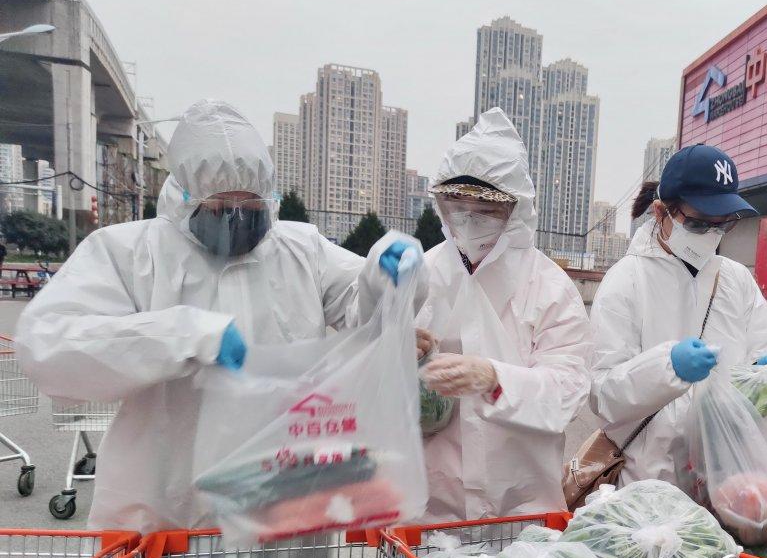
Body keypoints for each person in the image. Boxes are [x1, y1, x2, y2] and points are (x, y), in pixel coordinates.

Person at [15, 99, 423, 535]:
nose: (235, 220)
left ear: (268, 196)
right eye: (219, 208)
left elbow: (362, 308)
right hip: (165, 509)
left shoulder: (301, 249)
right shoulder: (130, 253)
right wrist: (182, 335)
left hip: (282, 503)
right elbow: (49, 345)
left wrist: (385, 275)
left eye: (249, 208)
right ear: (185, 195)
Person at [415, 108, 592, 521]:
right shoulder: (421, 275)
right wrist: (396, 350)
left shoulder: (549, 287)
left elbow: (568, 390)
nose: (468, 214)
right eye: (455, 200)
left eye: (486, 206)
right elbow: (370, 381)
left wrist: (496, 379)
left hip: (522, 510)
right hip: (429, 510)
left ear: (517, 209)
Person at [589, 143, 767, 486]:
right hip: (651, 479)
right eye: (699, 224)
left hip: (726, 475)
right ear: (660, 212)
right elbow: (602, 394)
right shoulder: (627, 279)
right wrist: (667, 367)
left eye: (723, 225)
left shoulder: (735, 278)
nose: (712, 235)